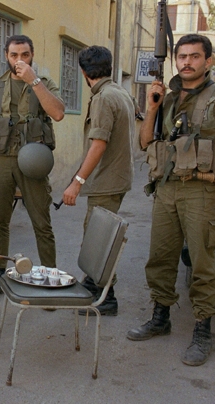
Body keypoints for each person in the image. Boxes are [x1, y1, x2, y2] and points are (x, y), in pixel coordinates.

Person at [126, 34, 215, 366]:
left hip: (202, 191)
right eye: (182, 56)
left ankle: (203, 329)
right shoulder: (169, 98)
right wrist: (152, 107)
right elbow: (145, 142)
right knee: (160, 258)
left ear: (208, 61)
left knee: (202, 263)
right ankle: (161, 316)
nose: (187, 62)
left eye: (194, 56)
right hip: (167, 189)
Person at [0, 34, 65, 301]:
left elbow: (58, 113)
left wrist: (33, 81)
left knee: (41, 222)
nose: (19, 60)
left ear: (32, 55)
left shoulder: (43, 83)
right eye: (14, 55)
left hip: (32, 161)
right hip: (0, 159)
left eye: (25, 54)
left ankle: (50, 277)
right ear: (6, 56)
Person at [61, 45, 134, 316]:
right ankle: (93, 285)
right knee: (97, 235)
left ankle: (105, 298)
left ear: (83, 72)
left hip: (107, 180)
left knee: (99, 240)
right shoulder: (119, 92)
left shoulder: (103, 97)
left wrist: (77, 182)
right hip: (116, 178)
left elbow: (99, 144)